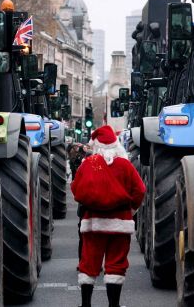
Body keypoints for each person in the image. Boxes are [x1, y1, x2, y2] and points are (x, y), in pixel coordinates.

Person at [71, 125, 145, 307]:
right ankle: (114, 304)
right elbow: (140, 190)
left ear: (96, 145)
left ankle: (86, 304)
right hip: (120, 224)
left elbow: (76, 189)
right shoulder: (125, 165)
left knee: (88, 263)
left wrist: (90, 203)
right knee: (116, 264)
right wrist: (131, 210)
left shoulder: (88, 164)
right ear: (116, 145)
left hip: (93, 224)